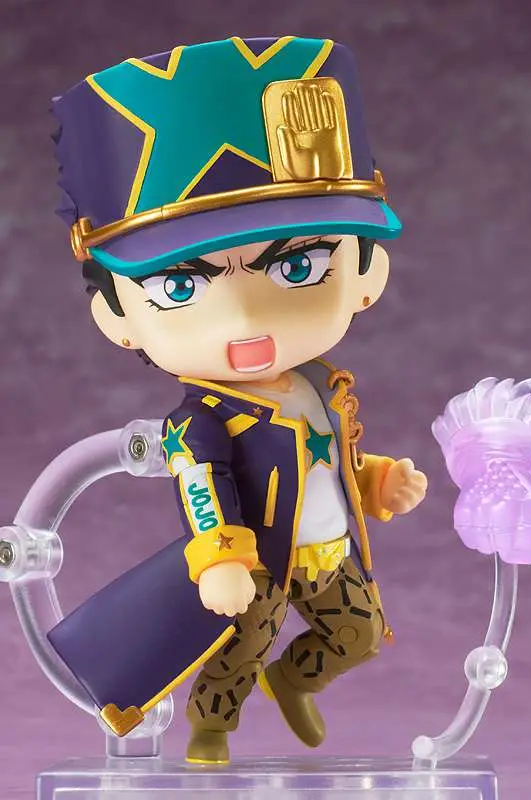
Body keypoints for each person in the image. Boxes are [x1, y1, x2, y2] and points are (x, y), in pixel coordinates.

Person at [50, 36, 427, 764]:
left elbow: (329, 458)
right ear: (115, 316)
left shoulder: (321, 386)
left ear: (367, 272)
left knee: (359, 634)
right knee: (238, 649)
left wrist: (377, 480)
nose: (247, 320)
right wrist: (220, 556)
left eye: (299, 266)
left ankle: (296, 681)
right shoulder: (201, 421)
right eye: (180, 286)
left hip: (329, 548)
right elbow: (202, 485)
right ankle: (211, 726)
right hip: (258, 558)